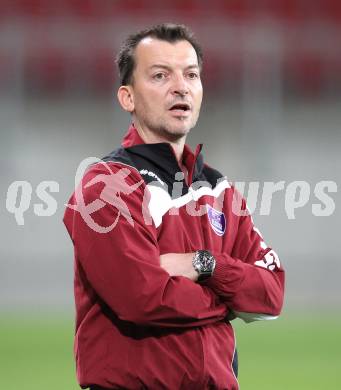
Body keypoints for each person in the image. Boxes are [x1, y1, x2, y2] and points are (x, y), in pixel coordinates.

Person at [63, 23, 285, 390]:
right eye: (160, 75)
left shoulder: (219, 188)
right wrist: (228, 303)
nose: (180, 86)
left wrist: (205, 264)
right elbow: (142, 300)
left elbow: (271, 294)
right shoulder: (105, 186)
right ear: (127, 98)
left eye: (191, 75)